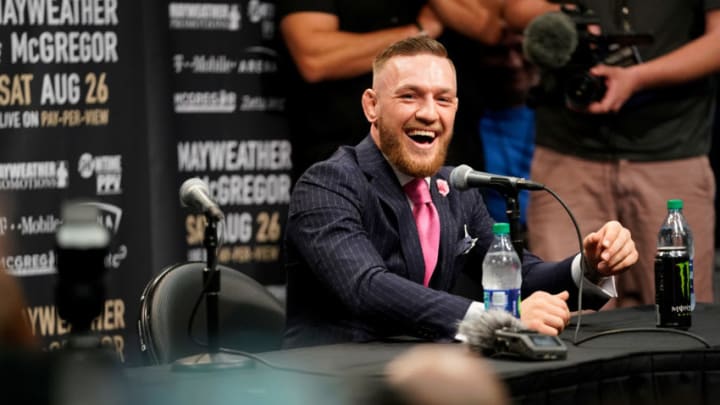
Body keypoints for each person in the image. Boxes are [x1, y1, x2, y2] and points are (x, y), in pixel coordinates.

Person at [283, 36, 638, 348]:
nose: (428, 113)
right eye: (410, 96)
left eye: (443, 99)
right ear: (372, 106)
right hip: (331, 381)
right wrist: (499, 320)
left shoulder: (455, 188)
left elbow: (519, 278)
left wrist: (589, 266)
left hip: (419, 375)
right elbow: (366, 287)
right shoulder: (327, 185)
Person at [505, 0, 720, 308]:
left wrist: (639, 78)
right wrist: (566, 19)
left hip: (671, 151)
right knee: (567, 313)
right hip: (567, 152)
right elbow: (513, 10)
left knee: (680, 314)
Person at [278, 0, 505, 180]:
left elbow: (491, 26)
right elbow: (314, 59)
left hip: (446, 154)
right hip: (349, 150)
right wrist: (418, 31)